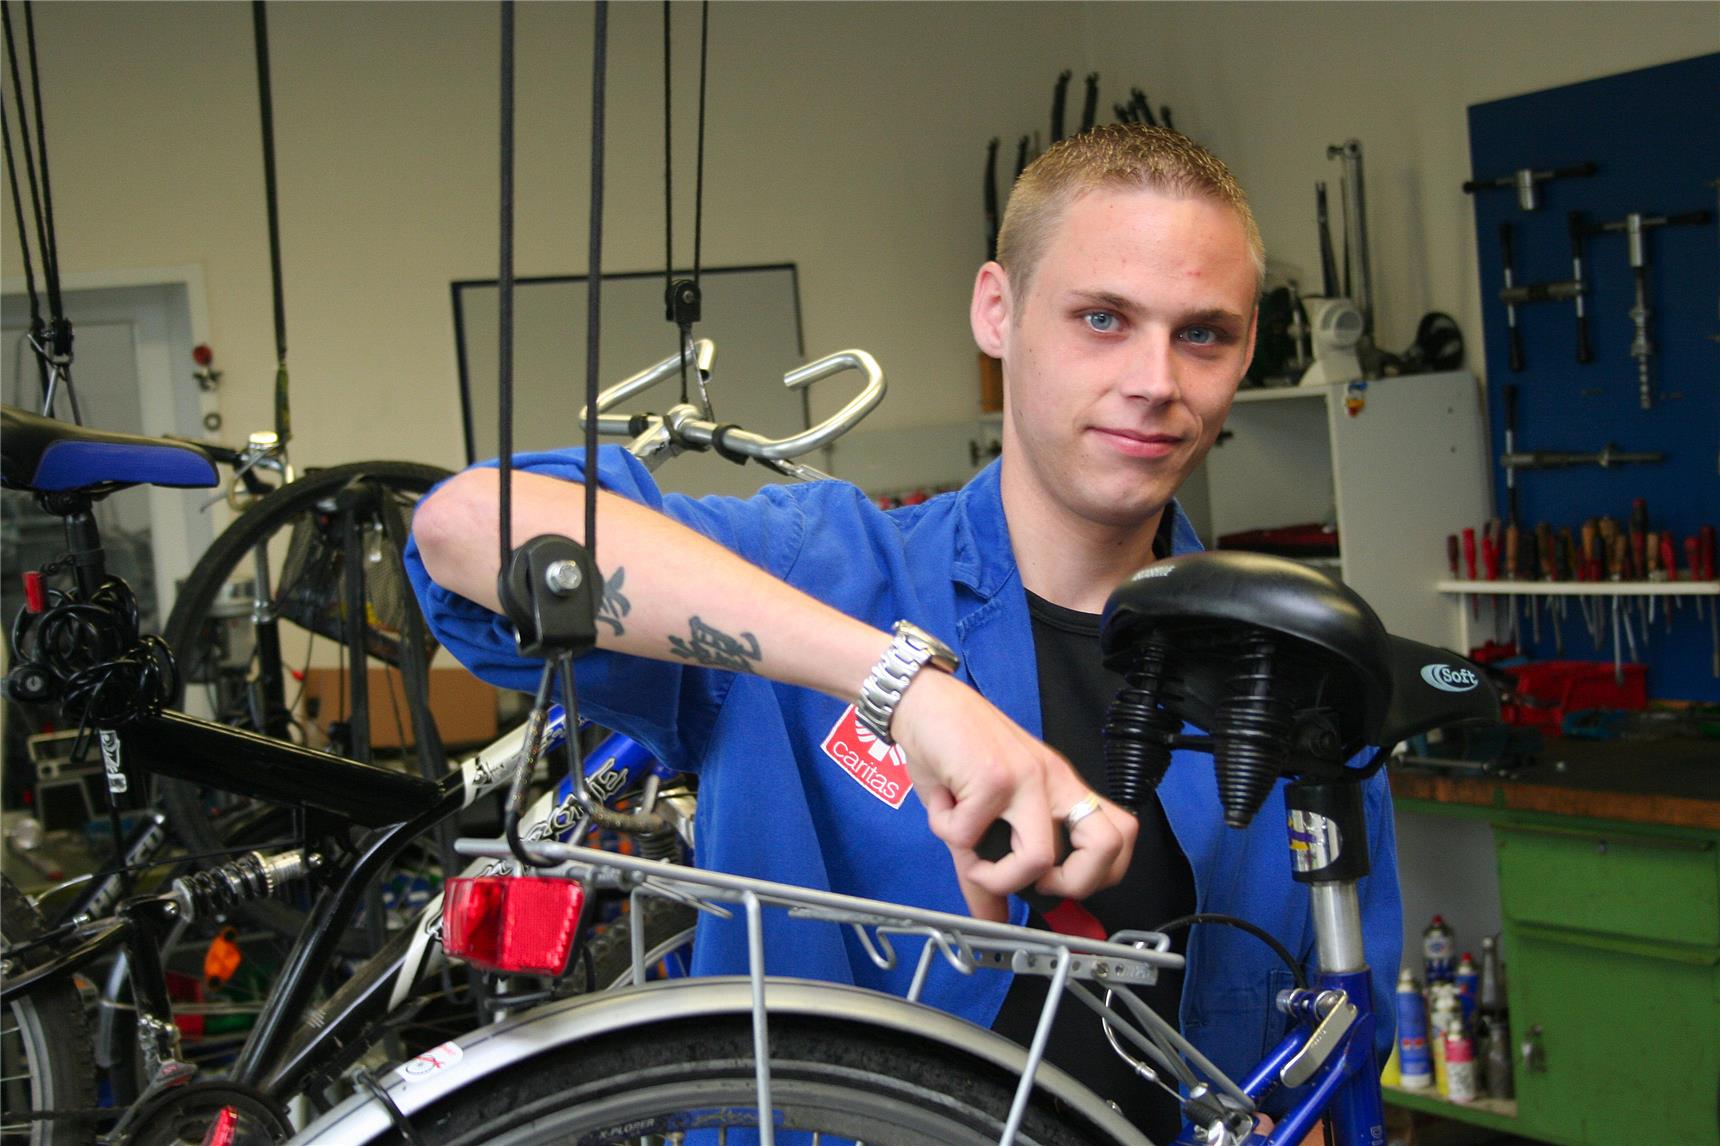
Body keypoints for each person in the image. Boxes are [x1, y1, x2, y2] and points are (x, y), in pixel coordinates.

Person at [407, 124, 1401, 1139]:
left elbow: (1327, 1072)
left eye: (1203, 335)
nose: (1156, 380)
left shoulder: (1291, 677)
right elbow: (464, 529)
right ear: (996, 311)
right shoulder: (818, 570)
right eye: (1101, 318)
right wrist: (902, 685)